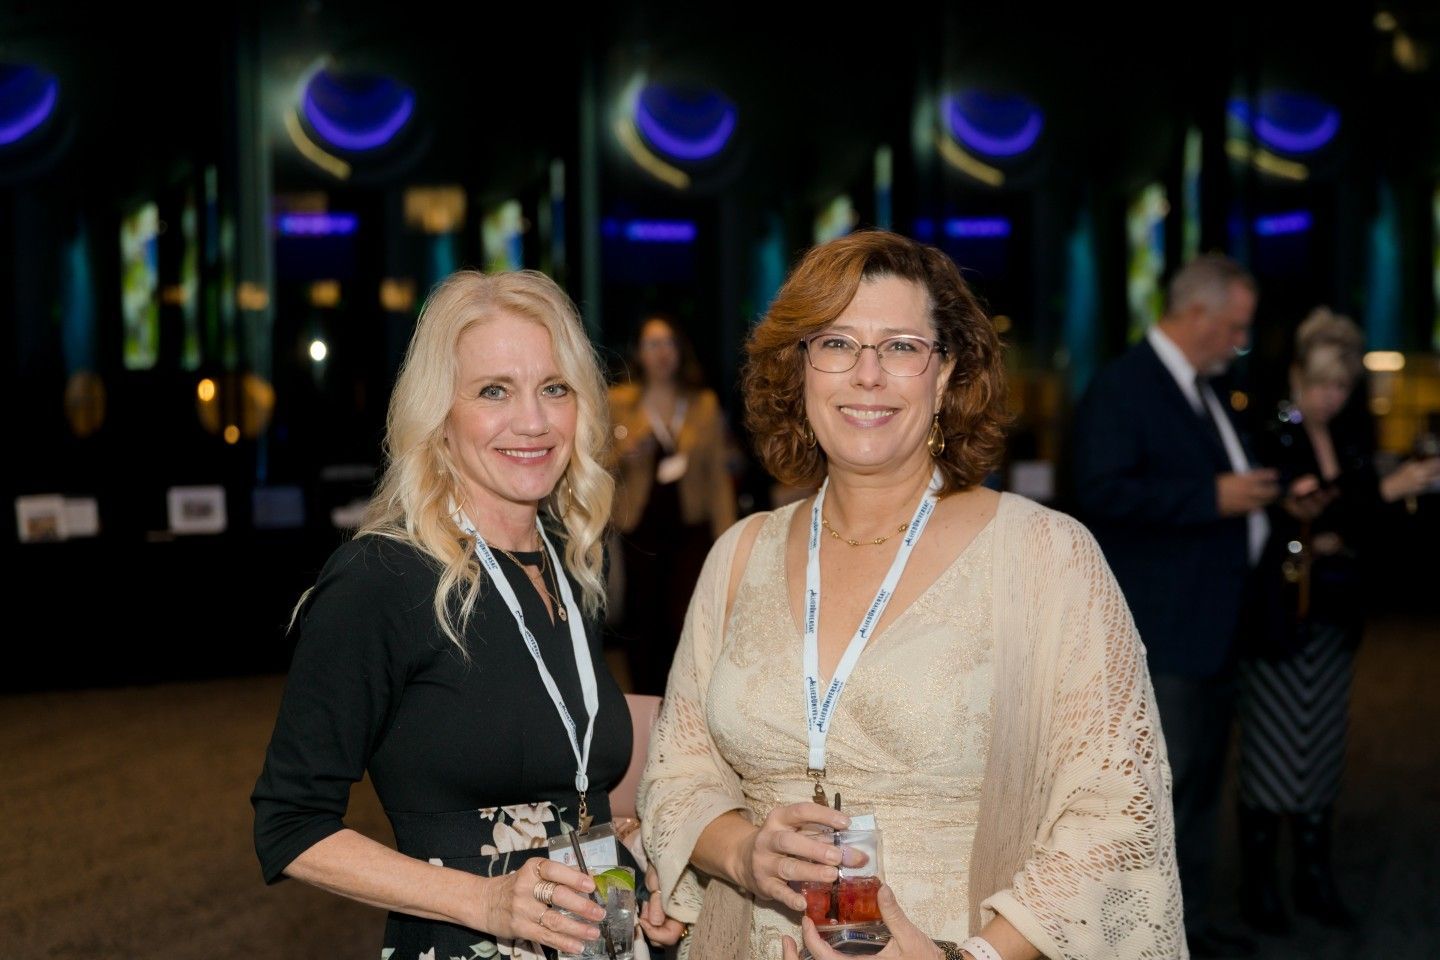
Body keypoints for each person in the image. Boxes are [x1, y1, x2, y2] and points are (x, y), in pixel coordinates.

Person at [637, 230, 1182, 960]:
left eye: (900, 347)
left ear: (946, 371)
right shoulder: (740, 556)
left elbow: (1118, 816)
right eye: (836, 344)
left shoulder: (1046, 557)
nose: (868, 375)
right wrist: (743, 854)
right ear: (799, 370)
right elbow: (678, 774)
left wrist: (969, 957)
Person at [251, 270, 683, 959]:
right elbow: (289, 825)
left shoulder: (565, 559)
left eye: (554, 388)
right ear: (439, 413)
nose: (534, 422)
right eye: (493, 391)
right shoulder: (382, 577)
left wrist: (636, 861)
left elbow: (567, 769)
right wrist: (482, 899)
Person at [1069, 253, 1292, 957]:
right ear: (1197, 315)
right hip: (1164, 633)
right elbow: (1097, 496)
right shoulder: (1126, 385)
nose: (1239, 342)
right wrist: (1214, 498)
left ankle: (1185, 926)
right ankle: (1141, 935)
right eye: (1235, 327)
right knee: (1155, 796)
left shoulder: (1201, 387)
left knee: (1195, 792)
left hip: (1212, 626)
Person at [1235, 308, 1440, 934]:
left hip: (1333, 616)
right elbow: (1285, 510)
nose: (1330, 396)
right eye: (1321, 382)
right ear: (1297, 375)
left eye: (1341, 386)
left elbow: (1350, 521)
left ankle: (1313, 879)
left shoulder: (1345, 437)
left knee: (1321, 753)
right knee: (1271, 758)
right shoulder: (1275, 429)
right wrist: (1371, 497)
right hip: (1279, 618)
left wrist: (1352, 510)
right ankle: (1261, 889)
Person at [608, 313, 737, 695]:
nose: (661, 353)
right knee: (641, 623)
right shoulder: (618, 403)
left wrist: (728, 539)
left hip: (689, 530)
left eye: (668, 343)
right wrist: (625, 453)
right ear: (639, 352)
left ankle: (683, 702)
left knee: (684, 620)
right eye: (652, 344)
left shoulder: (703, 403)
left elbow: (717, 477)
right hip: (639, 529)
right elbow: (594, 463)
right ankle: (647, 702)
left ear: (680, 350)